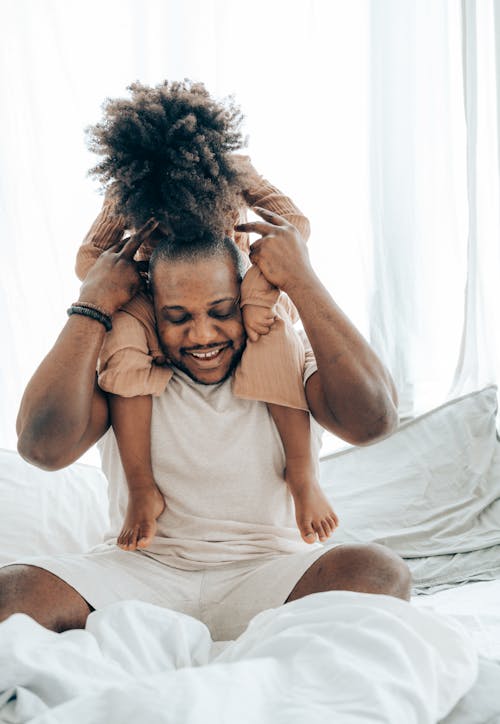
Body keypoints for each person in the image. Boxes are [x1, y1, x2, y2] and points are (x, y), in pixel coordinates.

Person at [2, 206, 409, 641]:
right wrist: (92, 304)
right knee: (14, 590)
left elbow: (376, 421)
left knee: (379, 572)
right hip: (142, 571)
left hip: (271, 571)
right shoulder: (126, 370)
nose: (202, 335)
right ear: (151, 311)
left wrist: (302, 280)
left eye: (221, 311)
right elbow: (40, 447)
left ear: (245, 296)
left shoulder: (289, 351)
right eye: (177, 318)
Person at [77, 80, 338, 551]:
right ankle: (141, 489)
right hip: (158, 295)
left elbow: (293, 225)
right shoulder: (130, 190)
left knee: (275, 335)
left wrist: (259, 282)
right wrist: (138, 285)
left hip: (239, 290)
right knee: (121, 346)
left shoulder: (236, 171)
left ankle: (302, 475)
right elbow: (89, 258)